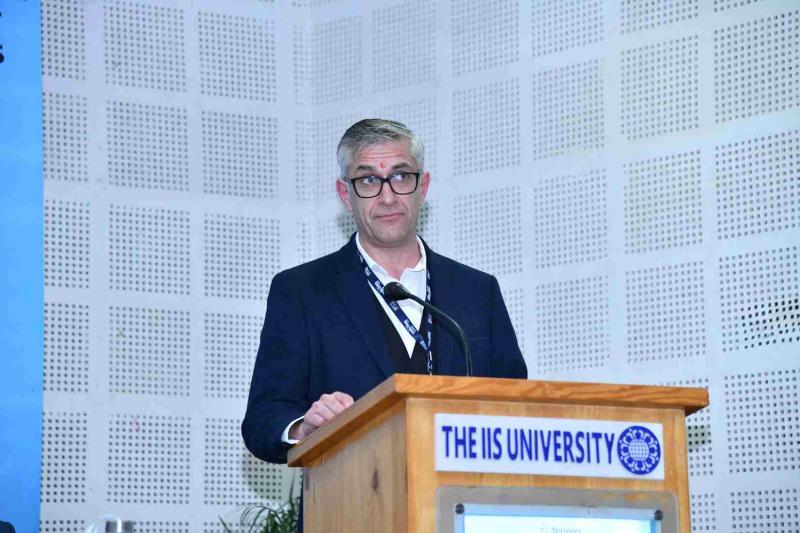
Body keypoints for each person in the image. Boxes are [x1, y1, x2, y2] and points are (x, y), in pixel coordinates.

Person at [242, 119, 527, 467]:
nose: (387, 197)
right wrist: (304, 428)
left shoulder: (477, 292)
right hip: (350, 492)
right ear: (345, 194)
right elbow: (263, 419)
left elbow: (517, 407)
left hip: (461, 494)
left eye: (401, 176)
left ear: (423, 186)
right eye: (368, 181)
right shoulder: (302, 292)